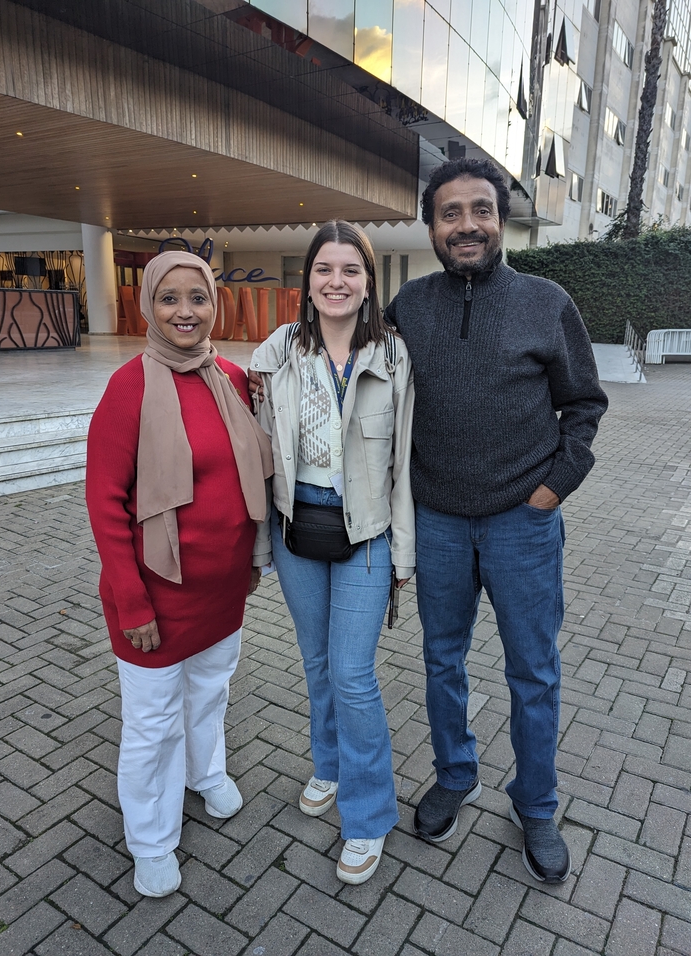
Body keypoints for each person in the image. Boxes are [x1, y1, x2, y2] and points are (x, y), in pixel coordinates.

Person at [384, 157, 608, 884]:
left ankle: (536, 805)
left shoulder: (547, 302)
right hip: (439, 523)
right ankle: (456, 773)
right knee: (441, 660)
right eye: (451, 214)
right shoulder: (408, 307)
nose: (467, 225)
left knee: (533, 672)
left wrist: (551, 490)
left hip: (522, 523)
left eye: (480, 210)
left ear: (500, 219)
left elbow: (585, 406)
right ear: (431, 228)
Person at [86, 251, 272, 898]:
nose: (185, 311)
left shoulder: (231, 378)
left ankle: (206, 773)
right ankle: (151, 837)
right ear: (148, 306)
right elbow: (105, 502)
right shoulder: (128, 387)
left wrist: (252, 561)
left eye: (198, 297)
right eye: (170, 298)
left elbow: (255, 478)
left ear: (214, 303)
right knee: (152, 722)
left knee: (211, 692)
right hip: (153, 598)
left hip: (222, 590)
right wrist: (131, 601)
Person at [250, 220, 415, 884]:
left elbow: (404, 463)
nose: (337, 282)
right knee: (318, 664)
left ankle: (369, 814)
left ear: (369, 282)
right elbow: (259, 452)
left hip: (366, 536)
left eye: (351, 270)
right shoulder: (278, 352)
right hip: (297, 533)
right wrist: (261, 546)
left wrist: (403, 557)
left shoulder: (393, 355)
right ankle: (328, 764)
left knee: (353, 674)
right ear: (307, 279)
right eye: (325, 269)